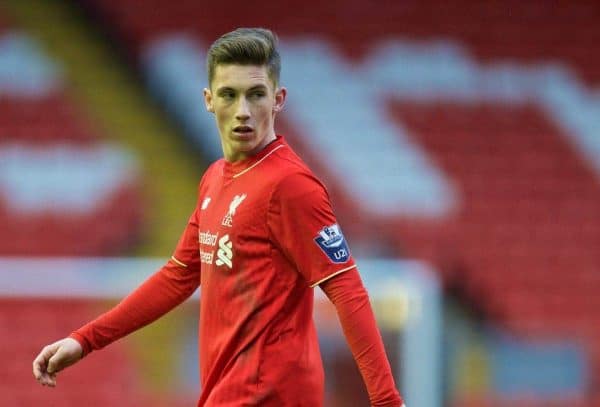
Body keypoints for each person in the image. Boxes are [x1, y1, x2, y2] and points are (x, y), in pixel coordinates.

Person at [32, 27, 405, 407]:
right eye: (229, 94)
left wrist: (387, 401)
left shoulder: (291, 185)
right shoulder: (215, 178)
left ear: (278, 99)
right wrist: (84, 340)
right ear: (209, 100)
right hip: (228, 391)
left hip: (269, 393)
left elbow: (346, 288)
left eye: (256, 95)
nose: (243, 110)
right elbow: (179, 275)